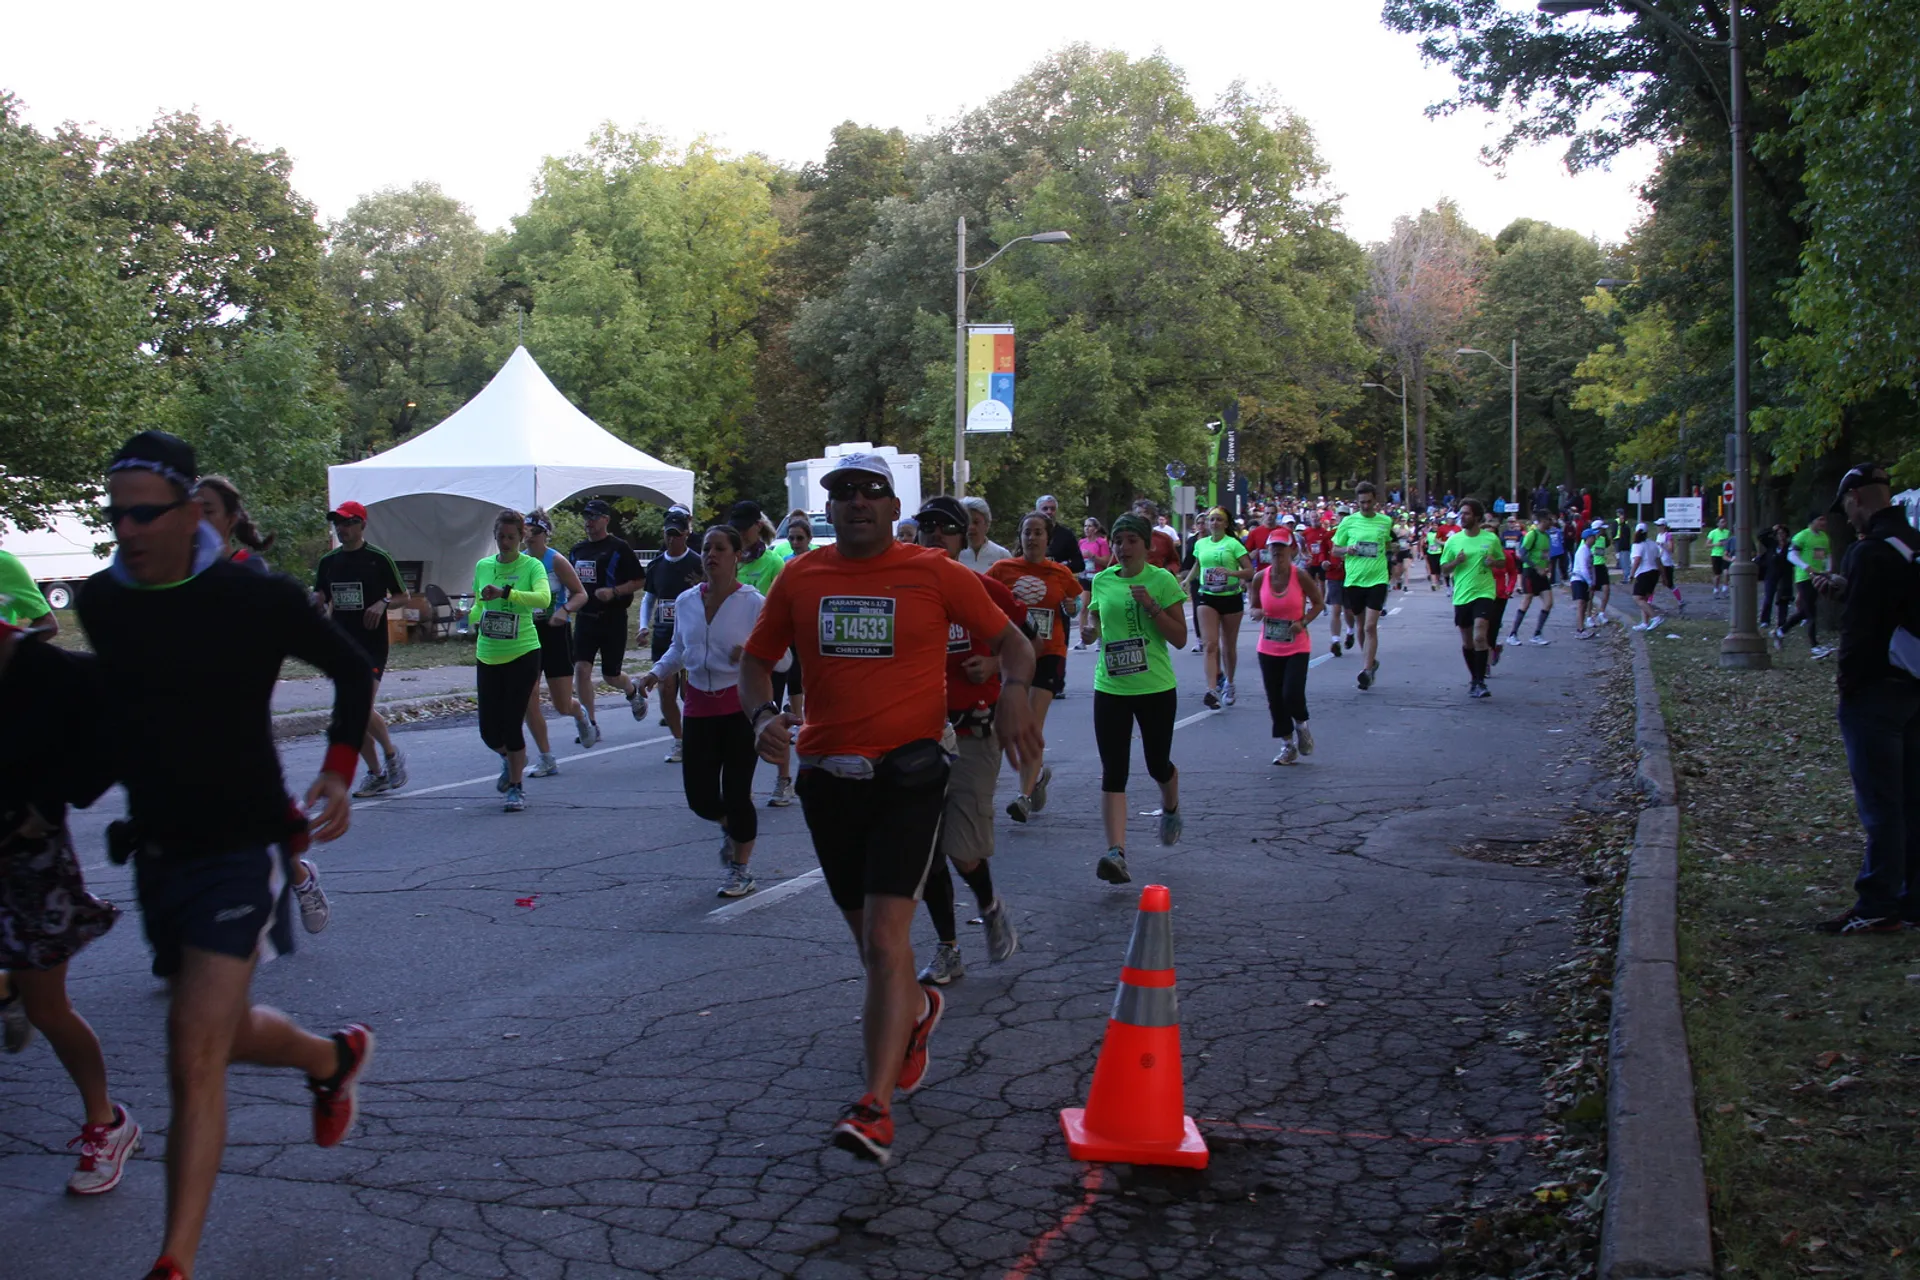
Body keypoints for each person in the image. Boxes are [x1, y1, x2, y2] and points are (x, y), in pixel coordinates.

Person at [79, 432, 375, 1280]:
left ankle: (173, 1262)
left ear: (190, 515)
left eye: (145, 513)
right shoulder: (102, 603)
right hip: (159, 849)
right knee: (219, 1029)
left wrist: (339, 768)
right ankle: (330, 1059)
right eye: (116, 514)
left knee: (193, 1051)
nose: (127, 529)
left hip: (244, 845)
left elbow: (352, 669)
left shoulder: (254, 597)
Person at [739, 453, 1037, 1166]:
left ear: (892, 506)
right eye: (844, 493)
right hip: (826, 777)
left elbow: (1014, 643)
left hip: (909, 774)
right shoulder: (800, 576)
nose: (857, 503)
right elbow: (756, 661)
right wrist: (761, 717)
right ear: (829, 509)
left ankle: (874, 1106)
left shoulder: (935, 572)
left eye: (871, 492)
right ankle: (920, 1007)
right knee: (873, 947)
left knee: (883, 939)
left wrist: (1014, 693)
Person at [0, 618, 134, 1196]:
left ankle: (106, 1121)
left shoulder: (34, 664)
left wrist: (48, 802)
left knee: (48, 1008)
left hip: (25, 859)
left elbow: (119, 715)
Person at [200, 478, 331, 929]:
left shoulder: (247, 568)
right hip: (185, 714)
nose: (197, 520)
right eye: (190, 510)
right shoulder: (173, 571)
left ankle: (299, 877)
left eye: (208, 510)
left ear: (231, 519)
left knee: (255, 816)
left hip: (236, 712)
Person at [913, 497, 1027, 985]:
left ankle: (989, 904)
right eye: (928, 527)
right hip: (916, 736)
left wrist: (997, 664)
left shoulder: (981, 588)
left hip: (972, 732)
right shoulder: (904, 593)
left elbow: (1028, 638)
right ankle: (948, 948)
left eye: (947, 528)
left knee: (961, 849)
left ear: (964, 539)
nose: (936, 534)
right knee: (925, 852)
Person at [1806, 464, 1920, 933]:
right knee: (1912, 799)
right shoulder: (1911, 544)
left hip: (1874, 691)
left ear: (1855, 499)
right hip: (1914, 684)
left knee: (1880, 804)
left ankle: (1877, 904)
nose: (1847, 518)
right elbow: (1899, 604)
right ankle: (1912, 901)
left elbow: (1861, 629)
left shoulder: (1867, 550)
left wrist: (1847, 683)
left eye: (1847, 508)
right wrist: (1846, 590)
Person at [640, 524, 766, 899]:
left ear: (736, 556)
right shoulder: (686, 601)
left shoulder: (754, 603)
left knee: (737, 793)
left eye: (720, 549)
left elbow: (783, 658)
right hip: (698, 707)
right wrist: (654, 673)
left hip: (739, 707)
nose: (711, 555)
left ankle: (740, 869)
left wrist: (751, 654)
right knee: (700, 798)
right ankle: (731, 827)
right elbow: (679, 648)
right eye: (707, 548)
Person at [1080, 512, 1189, 885]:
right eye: (1118, 541)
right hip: (1111, 687)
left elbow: (1180, 638)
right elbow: (1096, 623)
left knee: (1157, 764)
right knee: (1114, 770)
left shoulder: (1162, 580)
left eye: (1131, 541)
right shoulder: (1102, 580)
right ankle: (1116, 853)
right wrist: (1090, 631)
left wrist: (1153, 607)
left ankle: (1170, 806)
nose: (1123, 548)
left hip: (1155, 687)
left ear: (1146, 546)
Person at [312, 500, 409, 797]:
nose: (341, 529)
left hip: (371, 644)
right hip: (341, 644)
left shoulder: (378, 558)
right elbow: (320, 594)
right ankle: (376, 774)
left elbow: (403, 595)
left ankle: (391, 755)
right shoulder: (329, 562)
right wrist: (315, 601)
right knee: (350, 712)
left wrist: (383, 603)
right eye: (337, 523)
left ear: (362, 525)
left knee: (360, 705)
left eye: (347, 523)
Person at [990, 511, 1083, 821]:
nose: (1032, 538)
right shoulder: (1003, 569)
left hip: (1048, 652)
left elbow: (1078, 600)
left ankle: (1023, 797)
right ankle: (1037, 776)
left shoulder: (1060, 573)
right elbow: (981, 596)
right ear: (1020, 537)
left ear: (1048, 538)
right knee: (1006, 723)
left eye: (1038, 532)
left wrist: (1073, 607)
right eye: (1027, 532)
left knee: (1031, 721)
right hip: (1013, 653)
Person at [470, 510, 551, 813]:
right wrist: (469, 616)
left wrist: (507, 592)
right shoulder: (483, 566)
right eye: (501, 537)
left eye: (511, 537)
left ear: (521, 537)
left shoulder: (531, 566)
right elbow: (479, 604)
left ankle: (516, 788)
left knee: (512, 722)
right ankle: (511, 758)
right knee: (489, 731)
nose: (505, 543)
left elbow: (543, 599)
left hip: (523, 652)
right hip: (488, 653)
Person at [564, 499, 646, 739]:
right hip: (585, 618)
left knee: (611, 675)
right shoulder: (577, 550)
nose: (588, 522)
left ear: (606, 520)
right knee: (581, 669)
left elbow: (640, 580)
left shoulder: (619, 547)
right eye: (586, 517)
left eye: (594, 517)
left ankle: (631, 690)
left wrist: (615, 591)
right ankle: (590, 724)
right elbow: (571, 581)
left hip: (613, 619)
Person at [520, 511, 593, 777]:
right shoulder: (520, 562)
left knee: (561, 704)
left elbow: (581, 594)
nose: (529, 537)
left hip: (555, 631)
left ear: (545, 534)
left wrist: (565, 610)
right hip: (528, 633)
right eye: (526, 531)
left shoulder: (556, 561)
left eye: (535, 532)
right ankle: (546, 757)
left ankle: (580, 714)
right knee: (528, 698)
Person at [1247, 526, 1324, 763]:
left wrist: (1303, 621)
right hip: (1268, 647)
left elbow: (1318, 603)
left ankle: (1301, 726)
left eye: (1282, 548)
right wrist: (1256, 612)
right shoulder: (1260, 577)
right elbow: (1254, 606)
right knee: (1275, 698)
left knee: (1292, 693)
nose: (1277, 553)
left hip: (1296, 646)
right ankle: (1287, 745)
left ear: (1292, 550)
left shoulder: (1300, 576)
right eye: (1273, 548)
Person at [641, 507, 705, 764]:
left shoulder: (698, 562)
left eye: (677, 534)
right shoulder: (656, 565)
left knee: (689, 693)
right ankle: (679, 740)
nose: (672, 539)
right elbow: (649, 598)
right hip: (663, 635)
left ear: (687, 534)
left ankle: (696, 736)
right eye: (669, 534)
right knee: (666, 691)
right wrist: (643, 626)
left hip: (691, 636)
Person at [1185, 507, 1253, 708]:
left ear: (1225, 524)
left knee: (1228, 646)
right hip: (1207, 596)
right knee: (1210, 645)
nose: (1214, 523)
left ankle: (1229, 683)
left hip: (1230, 597)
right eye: (1211, 520)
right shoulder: (1201, 543)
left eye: (1218, 520)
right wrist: (1187, 580)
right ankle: (1212, 690)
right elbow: (1198, 564)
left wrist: (1231, 573)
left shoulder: (1233, 544)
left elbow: (1250, 571)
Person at [1331, 483, 1394, 689]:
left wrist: (1393, 548)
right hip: (1354, 580)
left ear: (1375, 500)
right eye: (1361, 503)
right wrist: (1347, 549)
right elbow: (1335, 549)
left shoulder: (1385, 521)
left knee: (1369, 626)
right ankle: (1370, 662)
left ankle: (1366, 671)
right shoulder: (1348, 522)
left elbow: (1388, 544)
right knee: (1360, 626)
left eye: (1369, 502)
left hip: (1378, 579)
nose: (1365, 506)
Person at [1441, 499, 1504, 699]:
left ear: (1476, 517)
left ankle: (1480, 681)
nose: (1462, 517)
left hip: (1484, 592)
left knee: (1479, 635)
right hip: (1462, 595)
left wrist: (1494, 562)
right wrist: (1456, 561)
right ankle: (1474, 679)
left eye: (1466, 513)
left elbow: (1502, 562)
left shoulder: (1491, 539)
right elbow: (1444, 568)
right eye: (1461, 513)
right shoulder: (1454, 540)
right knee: (1468, 642)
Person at [1778, 512, 1833, 658]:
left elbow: (1825, 555)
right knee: (1811, 612)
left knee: (1805, 611)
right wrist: (1806, 567)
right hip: (1804, 578)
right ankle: (1814, 646)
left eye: (1824, 520)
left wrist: (1827, 569)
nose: (1823, 523)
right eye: (1820, 520)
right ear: (1812, 521)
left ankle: (1781, 631)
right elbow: (1791, 556)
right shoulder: (1802, 536)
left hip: (1818, 577)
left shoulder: (1823, 537)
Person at [192, 475, 273, 574]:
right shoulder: (183, 569)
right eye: (192, 512)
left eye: (208, 511)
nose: (199, 518)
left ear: (231, 519)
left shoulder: (249, 568)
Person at [1506, 510, 1555, 646]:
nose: (1551, 522)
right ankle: (1513, 634)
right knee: (1526, 601)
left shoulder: (1546, 536)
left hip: (1542, 573)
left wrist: (1547, 566)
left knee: (1548, 602)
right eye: (1549, 519)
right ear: (1543, 520)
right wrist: (1537, 567)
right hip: (1530, 572)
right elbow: (1522, 553)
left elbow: (1545, 554)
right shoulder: (1532, 535)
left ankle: (1537, 634)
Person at [731, 501, 785, 596]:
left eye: (744, 528)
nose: (740, 533)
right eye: (736, 528)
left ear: (759, 526)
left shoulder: (774, 563)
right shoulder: (727, 560)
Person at [1075, 518, 1111, 648]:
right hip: (1084, 577)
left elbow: (1106, 561)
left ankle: (1099, 637)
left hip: (1098, 578)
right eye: (1085, 526)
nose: (1086, 528)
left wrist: (1092, 556)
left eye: (1089, 526)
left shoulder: (1101, 543)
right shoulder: (1081, 542)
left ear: (1095, 529)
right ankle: (1083, 639)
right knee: (1083, 607)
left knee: (1097, 609)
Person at [1035, 494, 1086, 575]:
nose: (1049, 512)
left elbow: (1079, 564)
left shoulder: (1066, 535)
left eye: (1052, 509)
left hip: (1058, 578)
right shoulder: (1030, 534)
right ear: (1037, 511)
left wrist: (1060, 566)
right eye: (1045, 509)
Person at [1759, 522, 1795, 634]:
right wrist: (1771, 529)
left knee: (1783, 599)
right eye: (1778, 533)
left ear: (1786, 535)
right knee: (1768, 598)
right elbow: (1760, 536)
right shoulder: (1772, 544)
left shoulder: (1790, 546)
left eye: (1783, 533)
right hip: (1771, 574)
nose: (1781, 535)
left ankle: (1781, 622)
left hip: (1785, 576)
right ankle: (1765, 620)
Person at [958, 496, 1011, 569]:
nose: (970, 527)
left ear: (987, 524)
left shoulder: (1002, 555)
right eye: (966, 522)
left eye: (976, 522)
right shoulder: (954, 554)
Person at [1629, 524, 1665, 631]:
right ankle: (1644, 622)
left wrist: (1631, 574)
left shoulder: (1637, 545)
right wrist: (1663, 576)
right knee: (1644, 599)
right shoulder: (1653, 544)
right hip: (1654, 573)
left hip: (1644, 573)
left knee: (1637, 598)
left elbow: (1637, 560)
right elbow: (1658, 561)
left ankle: (1655, 617)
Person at [1569, 525, 1598, 637]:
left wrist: (1593, 581)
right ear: (1588, 538)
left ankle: (1582, 626)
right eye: (1593, 537)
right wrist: (1590, 582)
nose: (1595, 539)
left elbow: (1591, 567)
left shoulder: (1588, 551)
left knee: (1585, 604)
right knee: (1581, 604)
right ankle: (1580, 629)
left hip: (1584, 580)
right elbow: (1583, 568)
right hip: (1578, 579)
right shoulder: (1582, 551)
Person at [1654, 517, 1685, 615]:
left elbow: (1671, 549)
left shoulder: (1668, 535)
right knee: (1653, 582)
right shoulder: (1658, 535)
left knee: (1669, 584)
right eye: (1657, 525)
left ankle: (1680, 601)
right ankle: (1649, 602)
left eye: (1659, 525)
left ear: (1664, 526)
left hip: (1667, 563)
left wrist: (1662, 544)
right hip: (1659, 562)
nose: (1658, 527)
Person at [1707, 515, 1733, 597]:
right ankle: (1716, 589)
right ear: (1718, 524)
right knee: (1717, 575)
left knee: (1727, 572)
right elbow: (1707, 544)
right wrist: (1717, 544)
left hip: (1725, 555)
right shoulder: (1713, 532)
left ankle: (1725, 588)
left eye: (1724, 522)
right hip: (1716, 555)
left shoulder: (1727, 532)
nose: (1724, 523)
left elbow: (1730, 542)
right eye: (1722, 522)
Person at [1423, 522, 1444, 591]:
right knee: (1432, 569)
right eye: (1434, 525)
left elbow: (1443, 542)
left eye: (1436, 525)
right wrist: (1424, 552)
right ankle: (1433, 584)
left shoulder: (1440, 534)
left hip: (1439, 552)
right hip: (1431, 553)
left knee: (1438, 569)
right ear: (1431, 526)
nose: (1435, 527)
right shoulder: (1428, 534)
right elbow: (1425, 543)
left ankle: (1437, 582)